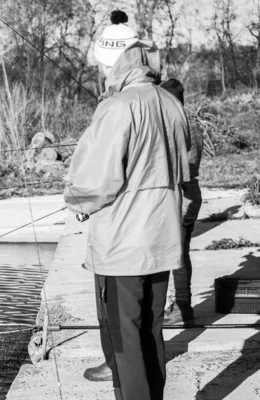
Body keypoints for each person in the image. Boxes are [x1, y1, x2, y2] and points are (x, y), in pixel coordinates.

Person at [63, 10, 191, 400]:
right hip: (163, 240)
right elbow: (184, 166)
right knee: (151, 332)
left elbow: (93, 184)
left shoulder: (116, 108)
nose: (102, 74)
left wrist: (75, 200)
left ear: (114, 62)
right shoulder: (170, 103)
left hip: (122, 248)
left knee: (125, 339)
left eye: (103, 67)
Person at [159, 78, 204, 325]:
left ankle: (181, 309)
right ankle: (182, 307)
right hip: (190, 194)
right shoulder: (191, 121)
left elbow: (181, 164)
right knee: (180, 253)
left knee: (175, 256)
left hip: (181, 197)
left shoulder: (177, 122)